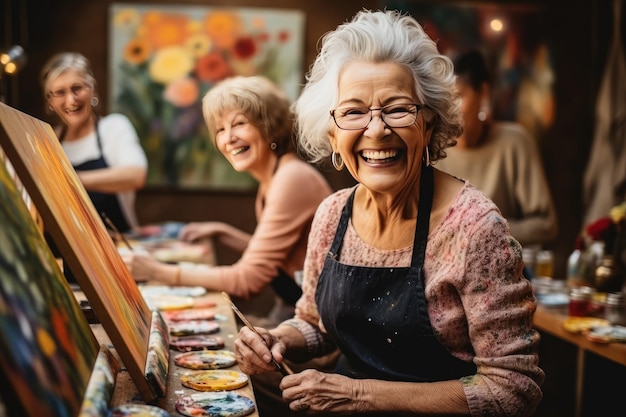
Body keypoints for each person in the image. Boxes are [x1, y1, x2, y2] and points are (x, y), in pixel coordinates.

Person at [234, 9, 544, 417]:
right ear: (333, 136)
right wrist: (279, 338)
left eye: (398, 109)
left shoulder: (473, 229)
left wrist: (361, 396)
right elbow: (314, 322)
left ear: (429, 125)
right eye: (353, 112)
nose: (376, 130)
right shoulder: (331, 215)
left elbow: (514, 388)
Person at [123, 75, 333, 319]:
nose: (228, 138)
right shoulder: (276, 175)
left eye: (240, 123)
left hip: (318, 324)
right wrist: (224, 232)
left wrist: (158, 271)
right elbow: (272, 253)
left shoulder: (292, 179)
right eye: (220, 129)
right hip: (297, 308)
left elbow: (247, 281)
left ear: (270, 127)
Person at [436, 49, 558, 249]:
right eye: (443, 100)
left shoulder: (514, 143)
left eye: (458, 96)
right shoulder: (431, 148)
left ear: (483, 92)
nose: (449, 109)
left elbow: (546, 225)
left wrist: (486, 229)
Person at [40, 52, 147, 233]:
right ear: (50, 100)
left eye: (77, 88)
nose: (71, 100)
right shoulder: (48, 141)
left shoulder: (113, 127)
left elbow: (136, 175)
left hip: (117, 246)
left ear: (92, 89)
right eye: (59, 92)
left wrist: (72, 180)